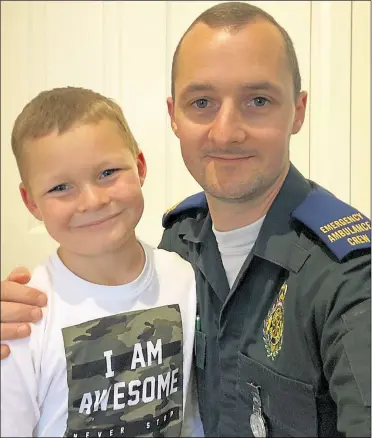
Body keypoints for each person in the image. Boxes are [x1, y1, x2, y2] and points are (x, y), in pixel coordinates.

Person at [1, 2, 371, 437]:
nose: (226, 131)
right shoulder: (180, 244)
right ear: (174, 115)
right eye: (202, 102)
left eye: (258, 100)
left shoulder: (349, 274)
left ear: (298, 111)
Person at [0, 86, 203, 437]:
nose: (92, 201)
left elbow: (191, 414)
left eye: (108, 172)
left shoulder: (183, 277)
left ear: (139, 166)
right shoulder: (24, 318)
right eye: (61, 187)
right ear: (31, 201)